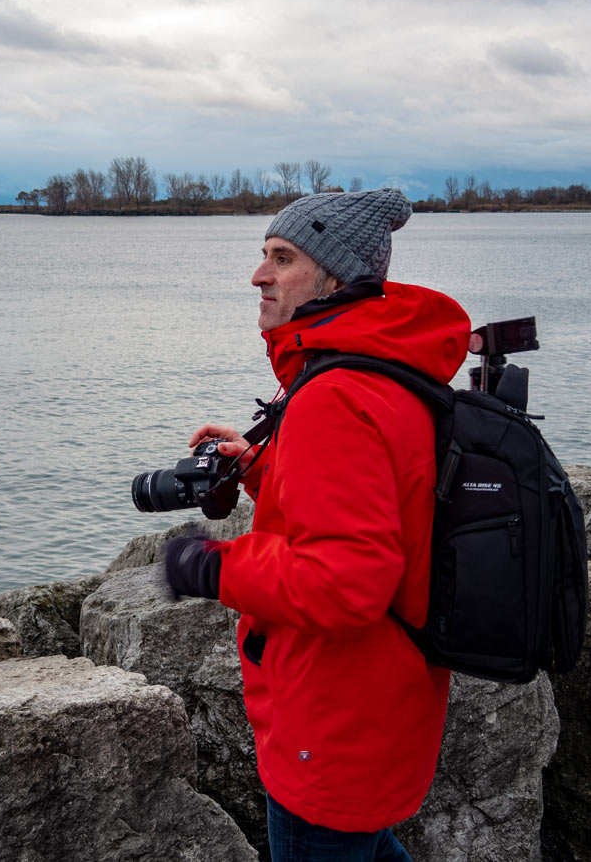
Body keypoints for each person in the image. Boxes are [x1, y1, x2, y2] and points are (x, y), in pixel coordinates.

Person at [163, 188, 471, 862]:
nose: (259, 275)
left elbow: (347, 582)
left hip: (332, 720)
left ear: (334, 276)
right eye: (264, 255)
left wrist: (210, 567)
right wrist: (259, 471)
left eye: (283, 257)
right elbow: (372, 507)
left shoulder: (334, 393)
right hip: (377, 703)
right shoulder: (384, 370)